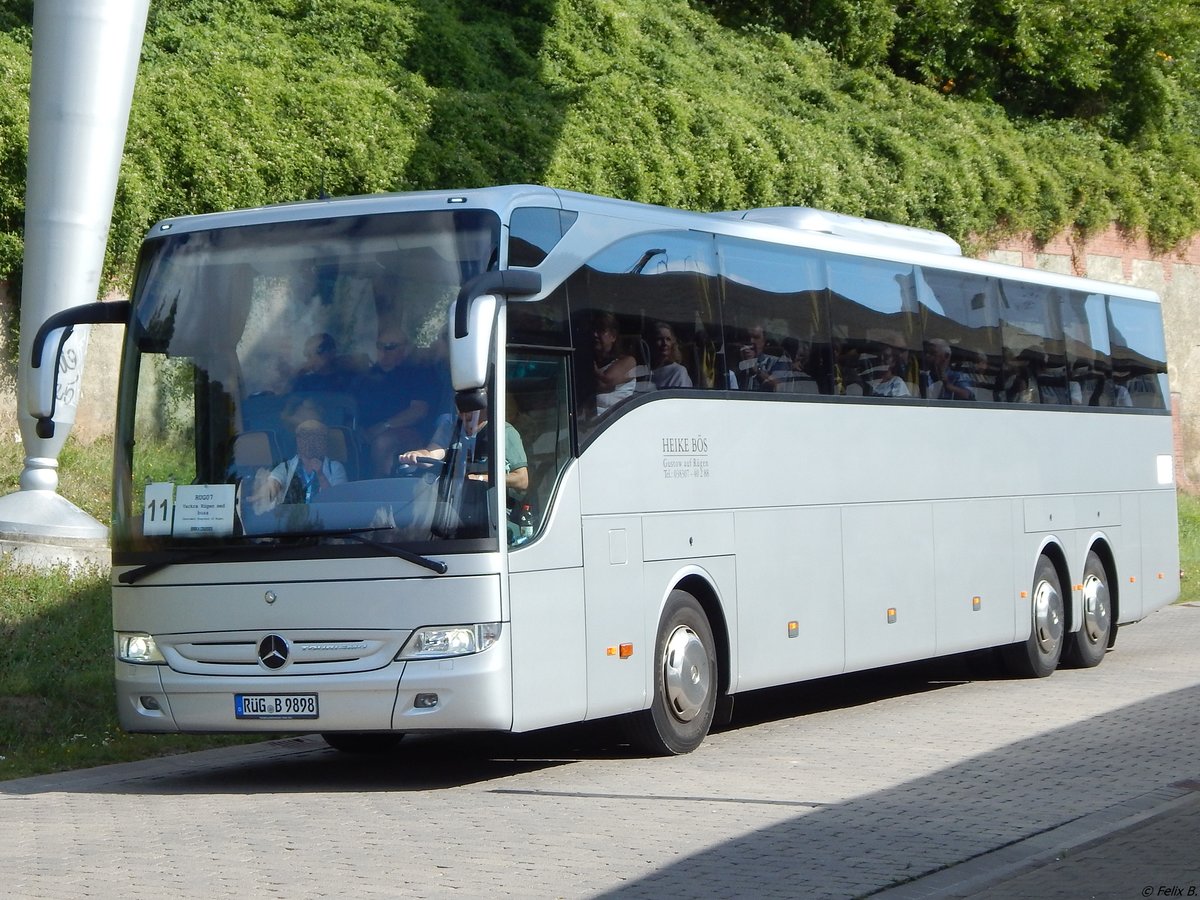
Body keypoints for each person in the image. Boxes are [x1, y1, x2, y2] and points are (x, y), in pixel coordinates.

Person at [355, 328, 438, 475]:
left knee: (383, 442)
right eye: (380, 346)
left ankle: (378, 486)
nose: (383, 351)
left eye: (390, 347)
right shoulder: (367, 376)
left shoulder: (419, 373)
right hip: (365, 431)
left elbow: (418, 411)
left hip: (409, 433)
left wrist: (384, 426)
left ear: (405, 349)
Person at [250, 419, 347, 513]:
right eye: (305, 437)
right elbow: (274, 481)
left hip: (324, 518)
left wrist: (321, 475)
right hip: (294, 520)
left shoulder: (335, 468)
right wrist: (265, 493)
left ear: (324, 442)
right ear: (298, 441)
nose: (311, 443)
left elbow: (338, 501)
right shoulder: (286, 467)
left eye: (317, 438)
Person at [592, 312, 637, 414]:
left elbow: (605, 382)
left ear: (613, 336)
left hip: (615, 420)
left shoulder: (628, 362)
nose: (595, 334)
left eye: (601, 330)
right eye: (593, 330)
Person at [737, 323, 786, 391]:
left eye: (756, 338)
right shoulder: (735, 362)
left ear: (764, 341)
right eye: (747, 338)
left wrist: (756, 369)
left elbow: (779, 386)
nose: (751, 341)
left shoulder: (776, 362)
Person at [650, 322, 693, 389]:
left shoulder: (678, 371)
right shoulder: (645, 370)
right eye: (659, 339)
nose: (664, 343)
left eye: (668, 339)